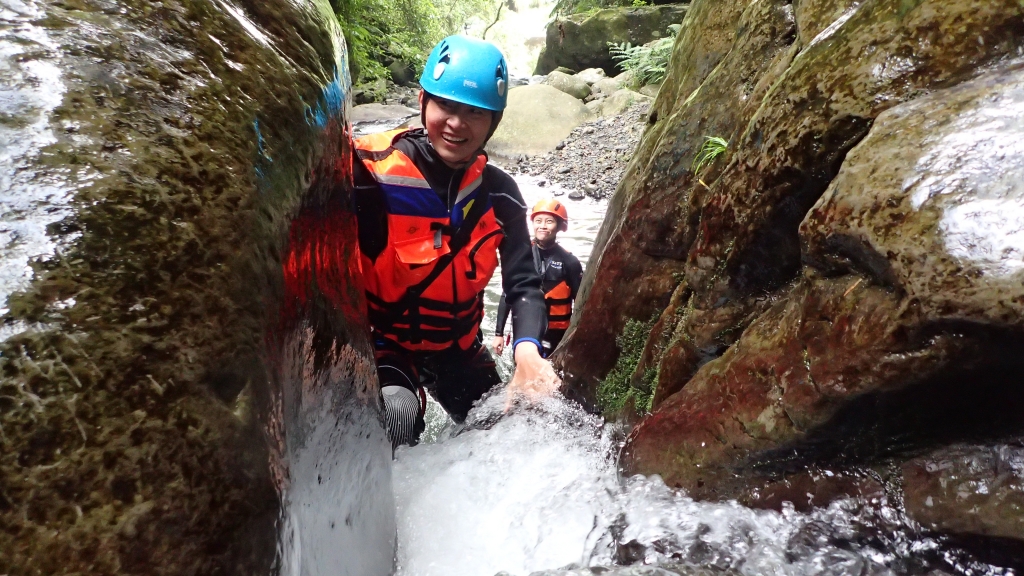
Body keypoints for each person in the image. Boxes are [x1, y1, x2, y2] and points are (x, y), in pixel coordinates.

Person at [352, 36, 559, 448]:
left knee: (511, 436)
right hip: (387, 343)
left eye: (474, 113)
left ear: (494, 121)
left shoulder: (499, 194)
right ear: (423, 101)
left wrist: (527, 350)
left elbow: (522, 283)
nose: (457, 123)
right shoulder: (368, 173)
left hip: (459, 349)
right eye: (446, 105)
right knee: (396, 414)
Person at [493, 200, 583, 358]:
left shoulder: (570, 262)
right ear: (532, 224)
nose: (543, 226)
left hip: (556, 334)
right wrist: (498, 333)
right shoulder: (521, 257)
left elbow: (581, 302)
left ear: (560, 226)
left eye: (549, 221)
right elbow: (507, 295)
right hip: (526, 330)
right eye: (538, 221)